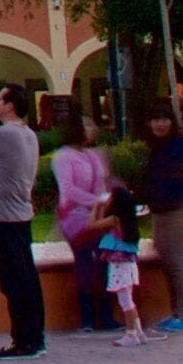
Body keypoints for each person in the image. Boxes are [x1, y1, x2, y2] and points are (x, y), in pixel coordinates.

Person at [0, 85, 47, 358]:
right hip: (21, 213)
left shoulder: (1, 134)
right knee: (27, 276)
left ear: (10, 104)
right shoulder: (29, 135)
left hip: (1, 215)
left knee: (13, 280)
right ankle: (35, 336)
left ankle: (23, 340)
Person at [49, 116, 116, 336]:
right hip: (75, 217)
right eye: (87, 125)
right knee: (86, 261)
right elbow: (68, 190)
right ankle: (87, 317)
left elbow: (100, 185)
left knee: (104, 261)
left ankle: (106, 316)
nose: (92, 129)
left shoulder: (92, 156)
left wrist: (105, 201)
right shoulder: (63, 157)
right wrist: (97, 201)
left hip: (95, 215)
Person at [144, 105, 183, 331]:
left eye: (164, 119)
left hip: (179, 211)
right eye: (155, 119)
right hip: (160, 212)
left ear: (172, 122)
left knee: (178, 262)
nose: (160, 124)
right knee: (167, 262)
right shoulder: (156, 148)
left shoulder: (181, 147)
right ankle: (176, 313)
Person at [93, 192, 147, 347]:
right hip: (129, 263)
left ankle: (131, 334)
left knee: (125, 300)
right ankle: (139, 332)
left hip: (119, 265)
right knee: (129, 298)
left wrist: (98, 206)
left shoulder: (115, 219)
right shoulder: (129, 220)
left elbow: (92, 224)